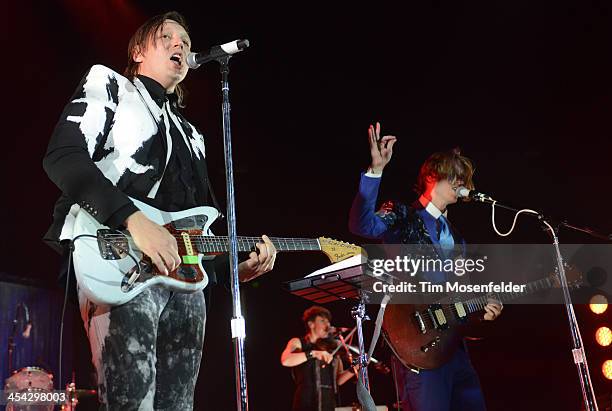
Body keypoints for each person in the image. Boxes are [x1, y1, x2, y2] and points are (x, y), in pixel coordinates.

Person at [43, 11, 276, 410]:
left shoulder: (192, 134)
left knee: (179, 404)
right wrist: (134, 221)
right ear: (137, 51)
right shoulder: (110, 84)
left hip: (183, 281)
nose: (180, 44)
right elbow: (63, 156)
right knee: (132, 402)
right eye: (166, 36)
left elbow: (194, 230)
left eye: (185, 40)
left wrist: (230, 271)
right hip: (118, 257)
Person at [348, 122, 503, 411]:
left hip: (455, 351)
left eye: (466, 180)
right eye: (457, 176)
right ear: (433, 176)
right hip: (418, 344)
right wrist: (376, 171)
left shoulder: (457, 238)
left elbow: (459, 296)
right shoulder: (403, 215)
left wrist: (482, 312)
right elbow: (361, 224)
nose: (464, 185)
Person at [281, 306, 357, 411]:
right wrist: (313, 353)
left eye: (328, 322)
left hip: (329, 403)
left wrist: (355, 368)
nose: (327, 325)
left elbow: (338, 380)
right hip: (306, 402)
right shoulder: (299, 342)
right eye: (322, 321)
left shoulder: (331, 348)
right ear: (311, 324)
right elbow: (286, 360)